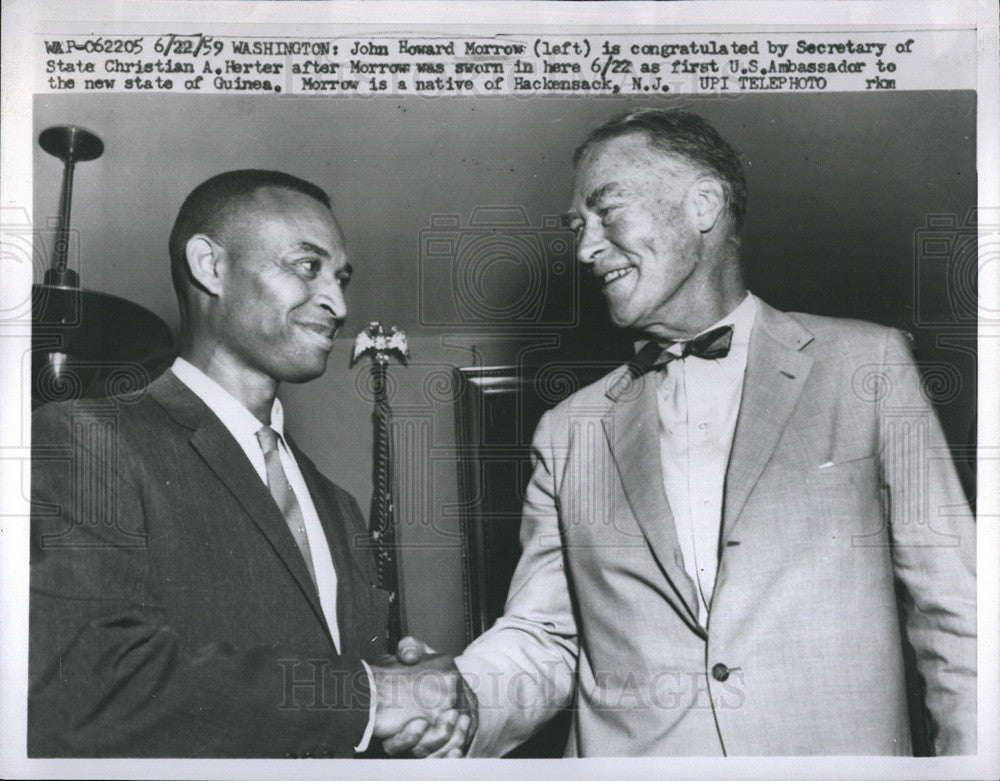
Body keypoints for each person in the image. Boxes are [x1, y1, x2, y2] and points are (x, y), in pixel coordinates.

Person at [393, 109, 977, 757]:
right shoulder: (569, 431)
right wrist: (461, 699)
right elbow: (546, 635)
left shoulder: (867, 364)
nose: (585, 247)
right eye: (577, 227)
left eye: (606, 211)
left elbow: (959, 620)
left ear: (704, 204)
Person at [29, 169, 471, 757]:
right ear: (210, 266)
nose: (338, 303)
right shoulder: (89, 437)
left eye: (341, 278)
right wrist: (372, 696)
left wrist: (421, 703)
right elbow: (85, 683)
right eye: (307, 267)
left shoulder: (335, 503)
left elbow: (345, 686)